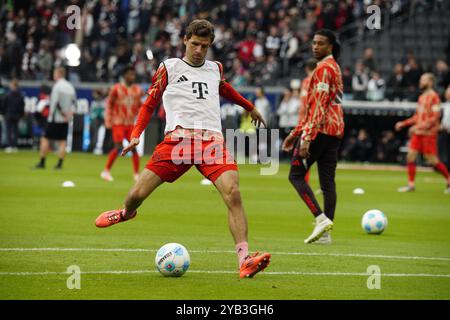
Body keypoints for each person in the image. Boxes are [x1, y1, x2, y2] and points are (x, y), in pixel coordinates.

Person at [95, 19, 271, 278]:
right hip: (177, 142)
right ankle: (125, 213)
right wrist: (135, 135)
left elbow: (225, 89)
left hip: (211, 142)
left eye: (205, 46)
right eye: (196, 44)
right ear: (185, 40)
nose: (199, 50)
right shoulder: (169, 67)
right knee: (136, 194)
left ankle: (244, 259)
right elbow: (149, 104)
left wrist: (249, 106)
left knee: (233, 193)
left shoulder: (215, 68)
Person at [282, 29, 344, 245]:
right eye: (314, 43)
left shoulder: (323, 69)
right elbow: (322, 105)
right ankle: (326, 234)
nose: (315, 47)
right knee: (327, 182)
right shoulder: (335, 67)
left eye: (320, 43)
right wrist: (294, 134)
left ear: (330, 46)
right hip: (335, 131)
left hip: (320, 130)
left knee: (296, 175)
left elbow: (316, 107)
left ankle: (320, 219)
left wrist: (306, 136)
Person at [395, 73, 450, 193]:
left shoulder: (434, 97)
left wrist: (418, 126)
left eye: (423, 80)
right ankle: (411, 185)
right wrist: (403, 123)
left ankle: (449, 180)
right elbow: (417, 116)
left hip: (429, 134)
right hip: (418, 133)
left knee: (432, 161)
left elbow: (434, 118)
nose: (420, 82)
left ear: (430, 82)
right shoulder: (421, 97)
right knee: (410, 156)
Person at [101, 67, 144, 181]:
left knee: (134, 147)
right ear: (124, 75)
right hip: (118, 122)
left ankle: (136, 174)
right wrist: (108, 119)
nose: (132, 77)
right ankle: (106, 171)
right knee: (118, 146)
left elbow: (141, 106)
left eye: (133, 75)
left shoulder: (137, 90)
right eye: (130, 74)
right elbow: (109, 104)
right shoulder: (116, 89)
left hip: (130, 123)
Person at [34, 67, 76, 169]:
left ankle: (42, 162)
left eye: (54, 74)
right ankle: (59, 164)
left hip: (54, 119)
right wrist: (69, 114)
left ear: (58, 74)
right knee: (62, 142)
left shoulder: (57, 86)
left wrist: (62, 113)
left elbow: (56, 102)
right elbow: (74, 103)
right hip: (65, 120)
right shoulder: (70, 86)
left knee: (45, 139)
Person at [3, 79, 25, 153]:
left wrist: (3, 113)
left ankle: (10, 146)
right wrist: (21, 114)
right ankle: (14, 146)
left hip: (9, 114)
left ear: (13, 85)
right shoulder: (20, 95)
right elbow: (22, 106)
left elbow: (4, 105)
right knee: (15, 131)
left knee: (9, 131)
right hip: (16, 115)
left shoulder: (8, 94)